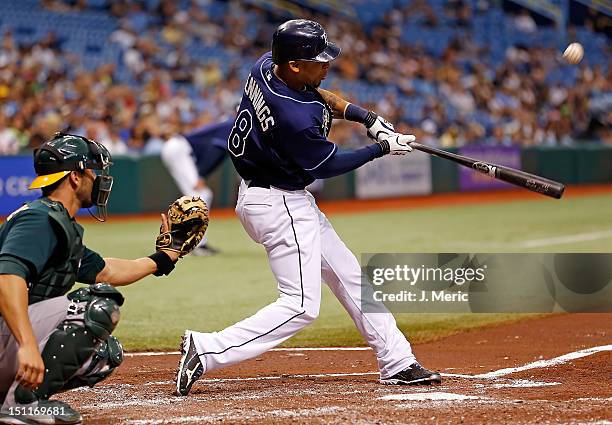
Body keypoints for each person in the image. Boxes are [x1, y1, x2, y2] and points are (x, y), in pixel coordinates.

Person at [175, 19, 441, 396]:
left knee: (348, 275)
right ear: (295, 65)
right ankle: (207, 348)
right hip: (279, 203)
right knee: (301, 304)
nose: (327, 65)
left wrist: (367, 118)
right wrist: (380, 148)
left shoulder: (267, 66)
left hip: (271, 196)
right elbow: (326, 165)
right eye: (318, 60)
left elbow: (321, 95)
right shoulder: (294, 118)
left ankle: (397, 361)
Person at [0, 133, 181, 425]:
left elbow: (107, 271)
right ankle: (20, 404)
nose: (98, 179)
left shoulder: (57, 223)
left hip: (6, 337)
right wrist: (27, 345)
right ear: (74, 177)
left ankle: (12, 394)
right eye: (92, 172)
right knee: (95, 309)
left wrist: (163, 257)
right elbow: (7, 278)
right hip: (7, 336)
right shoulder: (38, 220)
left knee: (103, 355)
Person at [161, 119, 234, 256]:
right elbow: (217, 149)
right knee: (202, 195)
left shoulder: (232, 123)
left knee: (199, 195)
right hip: (179, 149)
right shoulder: (233, 124)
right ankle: (195, 244)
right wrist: (201, 175)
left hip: (178, 149)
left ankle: (186, 240)